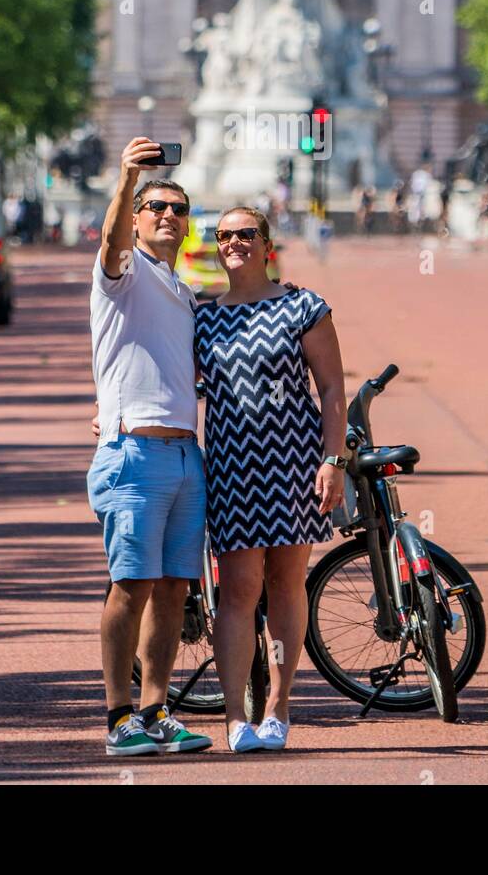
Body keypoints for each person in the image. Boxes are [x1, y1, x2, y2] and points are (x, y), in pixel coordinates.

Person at [194, 206, 348, 753]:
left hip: (294, 463)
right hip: (234, 467)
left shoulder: (303, 307)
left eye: (245, 234)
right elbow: (169, 380)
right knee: (237, 589)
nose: (234, 243)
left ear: (266, 244)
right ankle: (236, 717)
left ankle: (279, 708)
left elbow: (331, 389)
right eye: (224, 236)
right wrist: (112, 404)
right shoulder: (203, 317)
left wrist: (334, 459)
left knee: (286, 584)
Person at [87, 136, 212, 759]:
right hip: (134, 456)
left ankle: (157, 709)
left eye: (178, 210)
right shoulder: (123, 272)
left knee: (173, 589)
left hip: (187, 457)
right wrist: (128, 176)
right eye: (156, 206)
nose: (167, 215)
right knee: (130, 586)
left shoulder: (184, 293)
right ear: (138, 218)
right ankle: (117, 718)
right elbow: (109, 240)